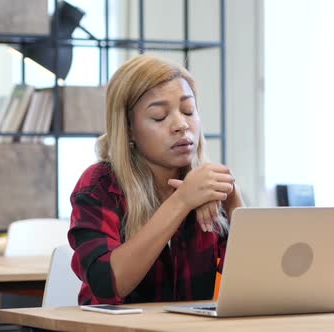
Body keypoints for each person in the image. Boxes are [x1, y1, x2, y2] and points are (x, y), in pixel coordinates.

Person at [68, 54, 244, 305]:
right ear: (128, 128)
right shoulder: (100, 186)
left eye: (188, 110)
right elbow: (109, 284)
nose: (181, 125)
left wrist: (234, 200)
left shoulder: (208, 187)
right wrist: (181, 202)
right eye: (160, 116)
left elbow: (254, 284)